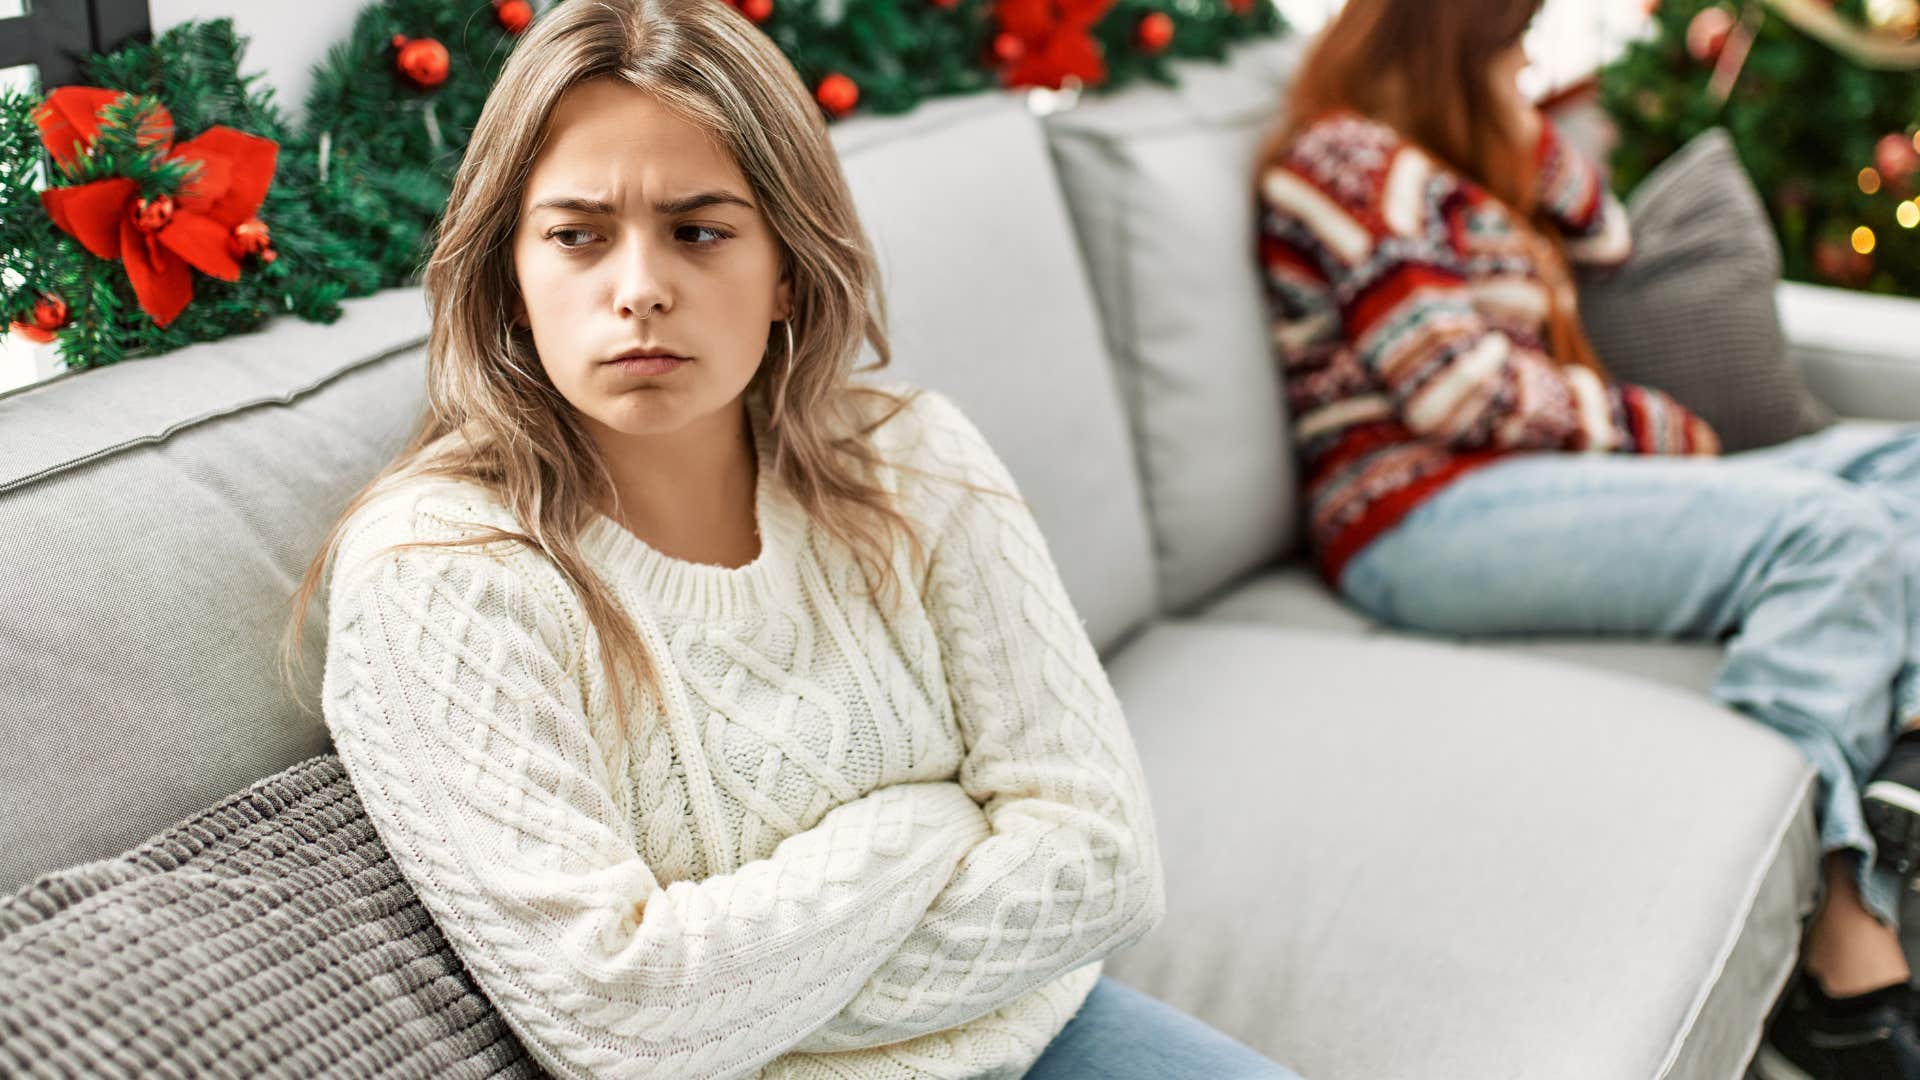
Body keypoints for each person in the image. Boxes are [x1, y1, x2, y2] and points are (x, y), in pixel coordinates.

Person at [280, 1, 1300, 1077]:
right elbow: (618, 1020)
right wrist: (927, 828)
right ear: (509, 279)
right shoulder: (442, 570)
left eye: (700, 231)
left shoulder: (913, 457)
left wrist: (744, 996)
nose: (639, 291)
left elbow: (1102, 861)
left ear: (785, 271)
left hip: (1049, 1036)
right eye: (577, 235)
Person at [1255, 0, 1920, 1076]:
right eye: (1511, 42)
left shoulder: (1455, 161)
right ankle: (1825, 927)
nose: (1528, 62)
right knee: (1830, 536)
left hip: (1532, 483)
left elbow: (1609, 234)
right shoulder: (1342, 159)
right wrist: (1655, 429)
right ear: (1447, 46)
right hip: (1417, 516)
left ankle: (1884, 764)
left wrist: (1517, 135)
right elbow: (1454, 387)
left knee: (1909, 467)